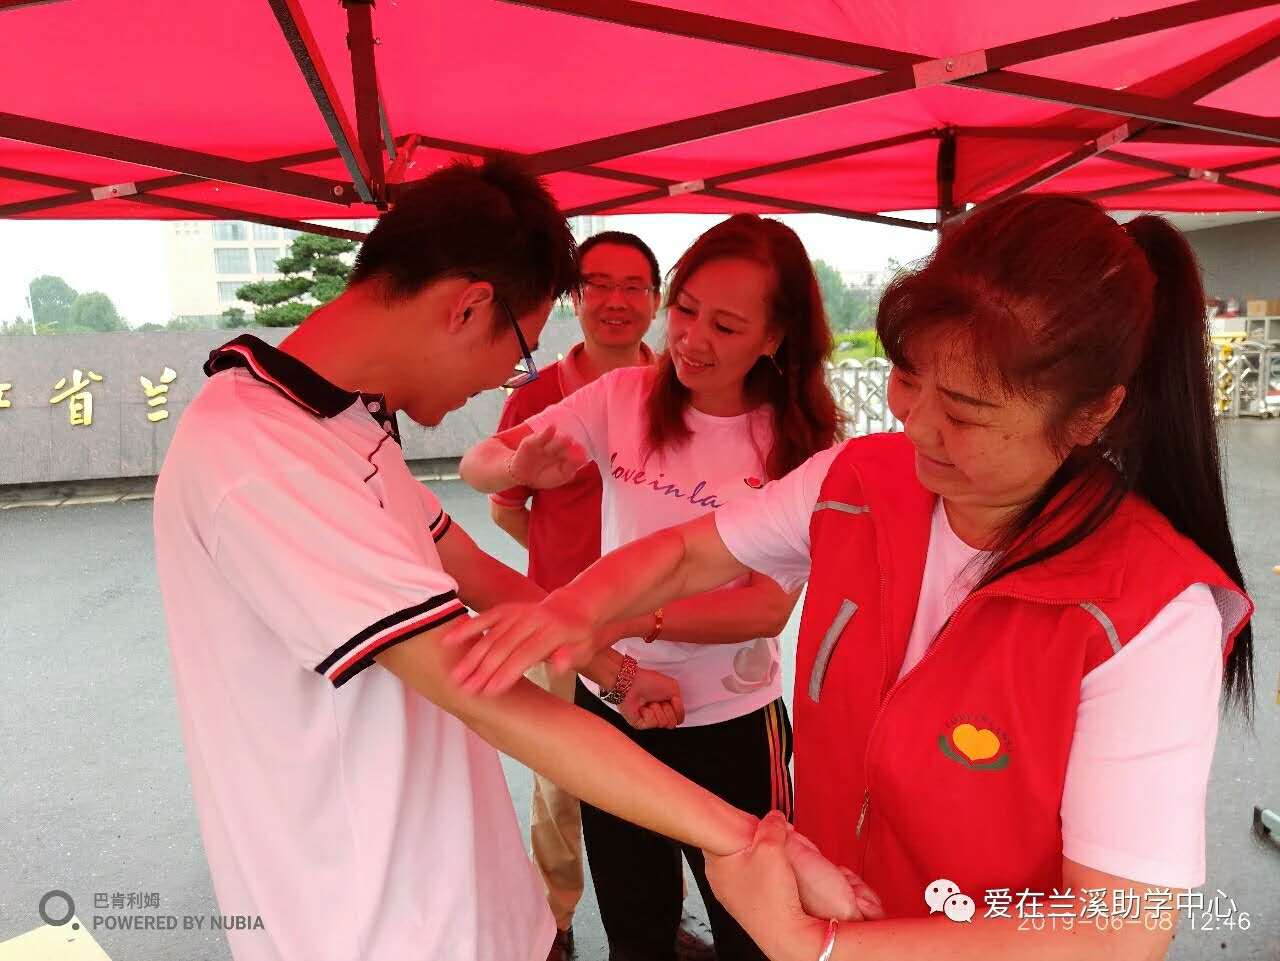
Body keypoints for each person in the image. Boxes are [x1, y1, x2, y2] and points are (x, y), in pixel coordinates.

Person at [446, 195, 1256, 961]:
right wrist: (575, 610)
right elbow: (691, 553)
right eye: (908, 376)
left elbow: (1118, 930)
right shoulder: (859, 479)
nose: (916, 423)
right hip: (826, 898)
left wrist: (825, 948)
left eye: (964, 411)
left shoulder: (1151, 611)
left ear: (1091, 414)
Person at [153, 155, 861, 961]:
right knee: (639, 910)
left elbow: (481, 574)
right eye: (521, 350)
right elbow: (482, 688)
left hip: (471, 900)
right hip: (379, 930)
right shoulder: (263, 455)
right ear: (468, 308)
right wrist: (746, 836)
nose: (509, 378)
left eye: (724, 325)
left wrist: (615, 667)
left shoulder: (344, 428)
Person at [460, 214, 844, 961]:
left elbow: (766, 606)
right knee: (635, 923)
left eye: (726, 326)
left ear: (776, 337)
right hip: (615, 709)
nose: (692, 339)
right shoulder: (624, 397)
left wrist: (625, 622)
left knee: (756, 929)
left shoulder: (799, 446)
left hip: (732, 718)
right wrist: (516, 467)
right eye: (686, 309)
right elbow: (479, 462)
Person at [488, 229, 669, 960]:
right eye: (599, 284)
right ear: (574, 297)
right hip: (562, 626)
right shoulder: (537, 398)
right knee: (562, 781)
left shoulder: (682, 389)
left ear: (656, 299)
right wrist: (564, 575)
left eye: (634, 286)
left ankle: (661, 916)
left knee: (659, 772)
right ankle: (554, 923)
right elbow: (506, 506)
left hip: (664, 622)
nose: (616, 301)